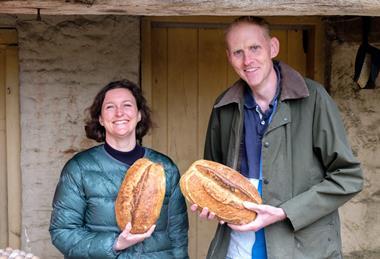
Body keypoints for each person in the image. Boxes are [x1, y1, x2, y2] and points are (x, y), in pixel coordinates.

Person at [192, 16, 364, 259]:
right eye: (237, 52)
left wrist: (285, 212)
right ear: (229, 57)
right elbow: (212, 177)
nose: (247, 60)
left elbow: (348, 177)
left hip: (302, 248)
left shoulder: (314, 98)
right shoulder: (224, 107)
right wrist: (209, 204)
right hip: (237, 247)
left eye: (254, 48)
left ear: (273, 47)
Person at [49, 79, 189, 258]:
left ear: (139, 115)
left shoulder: (165, 168)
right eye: (110, 107)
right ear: (100, 118)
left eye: (127, 105)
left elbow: (178, 235)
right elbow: (62, 232)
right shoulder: (79, 169)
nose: (119, 113)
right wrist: (115, 243)